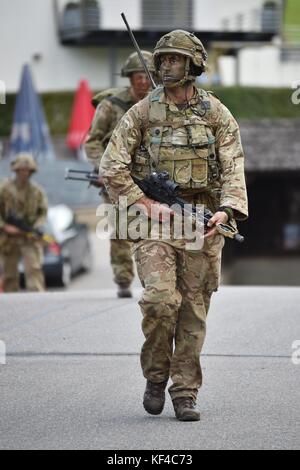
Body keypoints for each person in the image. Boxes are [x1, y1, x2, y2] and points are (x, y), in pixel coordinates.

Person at [100, 30, 248, 421]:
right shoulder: (143, 112)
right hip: (153, 225)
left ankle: (184, 391)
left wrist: (227, 211)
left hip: (201, 223)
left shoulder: (216, 113)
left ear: (192, 65)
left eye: (174, 60)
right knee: (161, 301)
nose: (166, 65)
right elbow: (111, 167)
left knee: (193, 313)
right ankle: (155, 376)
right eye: (162, 59)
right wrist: (146, 204)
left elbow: (233, 165)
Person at [85, 51, 155, 298]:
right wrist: (103, 169)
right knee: (119, 230)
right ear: (130, 78)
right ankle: (124, 279)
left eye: (148, 76)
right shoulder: (111, 106)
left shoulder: (160, 105)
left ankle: (153, 283)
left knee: (150, 231)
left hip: (149, 179)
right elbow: (92, 142)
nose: (144, 82)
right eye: (139, 76)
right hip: (115, 178)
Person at [0, 153, 48, 292]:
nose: (24, 173)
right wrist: (5, 227)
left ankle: (37, 300)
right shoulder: (4, 189)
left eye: (27, 170)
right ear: (16, 170)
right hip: (9, 239)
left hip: (29, 237)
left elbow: (43, 213)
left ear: (31, 171)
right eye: (21, 170)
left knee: (34, 271)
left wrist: (36, 227)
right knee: (9, 275)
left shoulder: (37, 191)